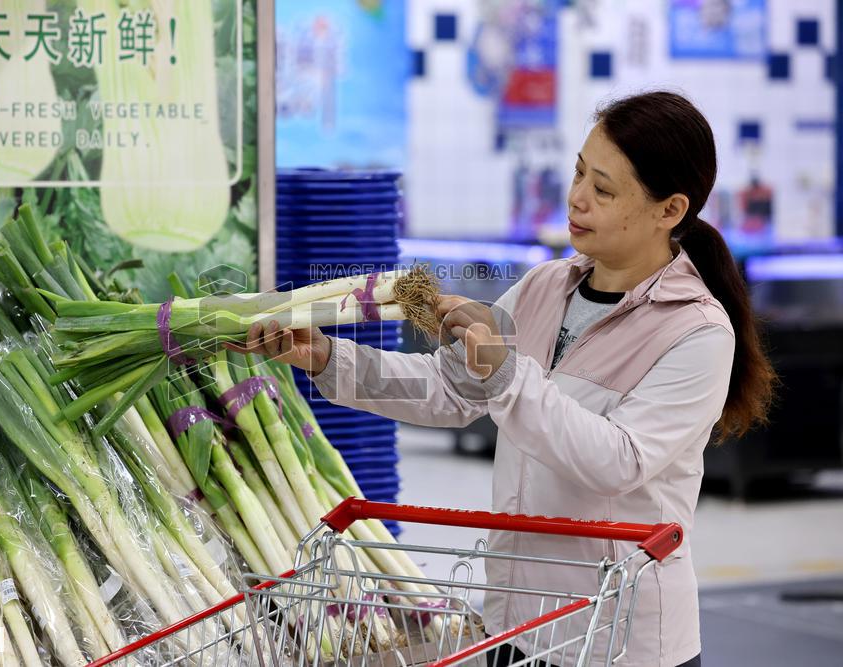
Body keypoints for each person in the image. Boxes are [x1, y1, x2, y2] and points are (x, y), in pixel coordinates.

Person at [229, 91, 776, 667]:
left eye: (604, 190)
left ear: (670, 210)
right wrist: (325, 356)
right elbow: (447, 390)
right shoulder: (545, 288)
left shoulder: (696, 332)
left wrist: (508, 375)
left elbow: (616, 461)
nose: (577, 198)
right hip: (516, 624)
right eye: (578, 173)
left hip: (616, 638)